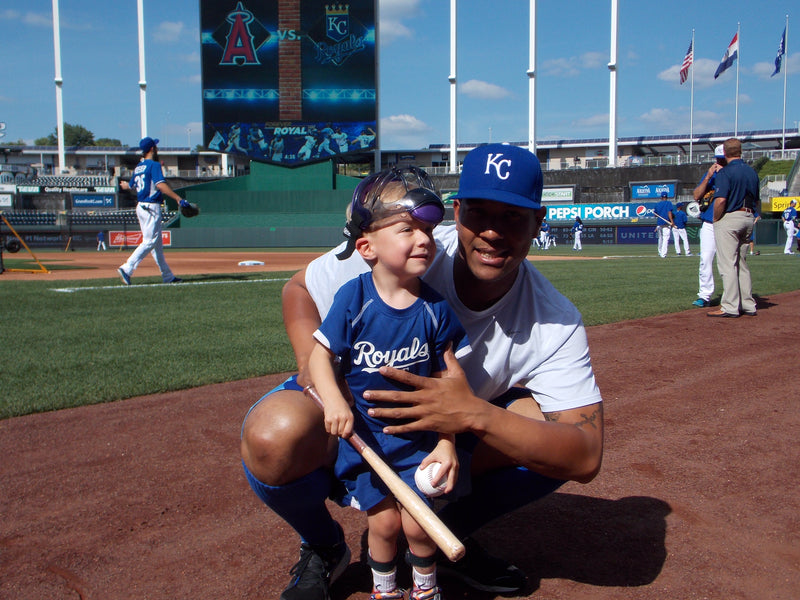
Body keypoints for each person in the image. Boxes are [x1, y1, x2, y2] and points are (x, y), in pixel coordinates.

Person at [240, 143, 604, 600]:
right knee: (276, 432)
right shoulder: (409, 241)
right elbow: (299, 289)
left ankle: (434, 532)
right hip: (354, 416)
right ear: (457, 211)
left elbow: (585, 455)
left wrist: (472, 415)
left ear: (539, 221)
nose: (492, 232)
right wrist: (314, 373)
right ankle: (323, 543)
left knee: (537, 428)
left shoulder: (556, 319)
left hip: (434, 441)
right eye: (478, 213)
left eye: (513, 217)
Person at [308, 167, 469, 600]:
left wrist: (447, 441)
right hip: (367, 442)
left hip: (419, 442)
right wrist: (334, 403)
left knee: (419, 525)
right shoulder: (354, 300)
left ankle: (425, 587)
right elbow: (319, 356)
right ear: (367, 247)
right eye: (406, 230)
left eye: (428, 232)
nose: (423, 240)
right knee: (383, 523)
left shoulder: (434, 308)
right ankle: (384, 588)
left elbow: (450, 380)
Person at [117, 137, 184, 285]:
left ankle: (167, 276)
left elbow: (132, 185)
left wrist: (124, 185)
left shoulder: (139, 167)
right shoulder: (153, 165)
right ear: (153, 148)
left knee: (157, 246)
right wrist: (178, 198)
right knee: (149, 242)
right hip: (150, 207)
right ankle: (127, 268)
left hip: (141, 206)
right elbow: (160, 185)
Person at [707, 138, 759, 318]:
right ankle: (748, 304)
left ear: (726, 154)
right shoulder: (752, 172)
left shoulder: (725, 172)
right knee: (742, 263)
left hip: (731, 217)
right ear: (740, 152)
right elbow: (757, 199)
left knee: (727, 263)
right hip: (748, 216)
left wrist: (715, 218)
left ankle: (730, 306)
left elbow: (721, 200)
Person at [692, 145, 726, 308]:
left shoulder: (732, 173)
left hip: (727, 221)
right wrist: (708, 177)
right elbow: (697, 195)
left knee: (729, 261)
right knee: (705, 259)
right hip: (709, 222)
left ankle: (732, 295)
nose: (719, 162)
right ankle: (704, 295)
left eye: (722, 159)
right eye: (717, 159)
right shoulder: (711, 174)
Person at [653, 192, 674, 258]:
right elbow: (669, 212)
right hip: (666, 223)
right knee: (665, 238)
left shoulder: (657, 204)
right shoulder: (668, 203)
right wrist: (672, 221)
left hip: (659, 223)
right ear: (667, 197)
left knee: (660, 238)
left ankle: (660, 251)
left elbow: (655, 214)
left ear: (661, 197)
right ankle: (663, 254)